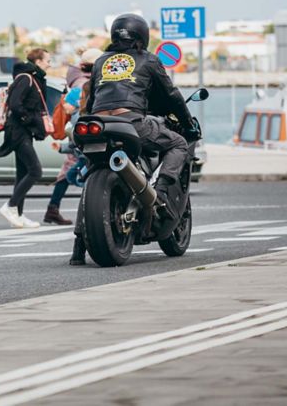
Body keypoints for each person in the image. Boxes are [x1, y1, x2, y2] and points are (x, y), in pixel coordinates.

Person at [70, 13, 196, 265]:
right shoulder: (149, 60)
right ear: (142, 35)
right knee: (178, 143)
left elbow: (93, 98)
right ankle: (160, 193)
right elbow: (171, 95)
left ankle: (78, 247)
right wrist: (187, 123)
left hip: (97, 122)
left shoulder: (102, 61)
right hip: (132, 122)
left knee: (93, 171)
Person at [0, 49, 52, 229]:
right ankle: (11, 206)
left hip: (23, 131)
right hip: (18, 131)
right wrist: (28, 119)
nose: (50, 64)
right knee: (35, 171)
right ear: (38, 61)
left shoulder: (31, 77)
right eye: (48, 60)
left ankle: (18, 215)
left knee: (23, 173)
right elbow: (15, 104)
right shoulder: (25, 78)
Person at [44, 48, 102, 225]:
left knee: (71, 172)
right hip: (85, 134)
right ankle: (87, 211)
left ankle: (53, 209)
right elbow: (78, 107)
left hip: (78, 134)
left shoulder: (77, 79)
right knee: (83, 173)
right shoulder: (85, 84)